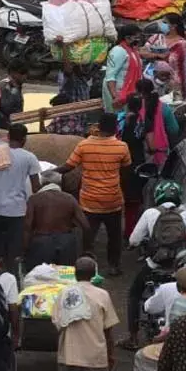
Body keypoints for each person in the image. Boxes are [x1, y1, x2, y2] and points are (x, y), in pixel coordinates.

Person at [56, 112, 131, 274]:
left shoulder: (84, 145)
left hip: (89, 200)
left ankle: (86, 266)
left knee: (88, 235)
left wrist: (48, 172)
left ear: (98, 127)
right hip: (113, 199)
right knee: (114, 236)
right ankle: (113, 266)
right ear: (116, 128)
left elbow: (68, 167)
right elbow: (126, 170)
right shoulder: (122, 147)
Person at [53, 256, 119, 371]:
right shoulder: (102, 295)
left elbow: (57, 324)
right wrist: (110, 354)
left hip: (69, 354)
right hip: (96, 354)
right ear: (93, 275)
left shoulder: (64, 294)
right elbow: (108, 329)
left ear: (74, 274)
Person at [0, 123, 41, 272]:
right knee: (13, 249)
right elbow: (36, 186)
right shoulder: (29, 157)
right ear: (24, 139)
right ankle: (11, 276)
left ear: (8, 137)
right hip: (17, 210)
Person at [23, 172, 88, 272]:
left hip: (41, 243)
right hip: (66, 242)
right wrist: (84, 250)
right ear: (60, 183)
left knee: (41, 278)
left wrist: (24, 249)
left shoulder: (34, 199)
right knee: (65, 277)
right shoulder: (69, 198)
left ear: (42, 183)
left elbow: (27, 226)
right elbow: (85, 225)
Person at [145, 13, 186, 96]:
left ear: (173, 26)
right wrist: (158, 55)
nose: (161, 24)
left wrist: (183, 89)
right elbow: (142, 52)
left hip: (171, 83)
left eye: (165, 22)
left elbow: (182, 67)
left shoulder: (181, 44)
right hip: (151, 80)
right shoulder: (156, 37)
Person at [103, 25, 144, 112]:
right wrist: (115, 96)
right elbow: (110, 76)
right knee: (117, 119)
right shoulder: (118, 51)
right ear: (127, 38)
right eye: (136, 37)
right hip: (117, 92)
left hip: (130, 92)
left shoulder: (133, 52)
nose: (139, 40)